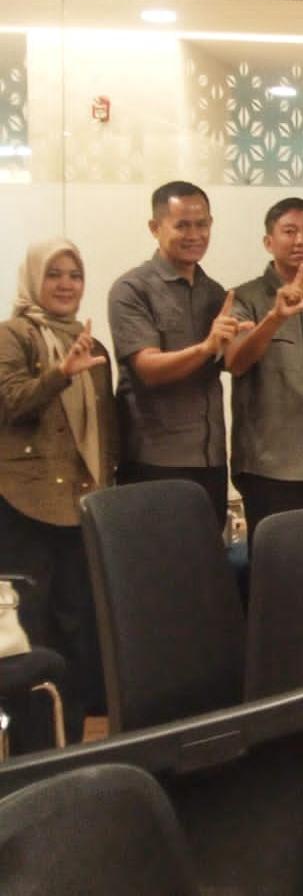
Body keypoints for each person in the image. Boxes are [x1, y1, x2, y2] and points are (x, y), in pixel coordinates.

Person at [0, 240, 117, 741]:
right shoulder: (13, 335)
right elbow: (10, 402)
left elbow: (106, 429)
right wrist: (59, 374)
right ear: (34, 279)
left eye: (75, 274)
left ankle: (69, 738)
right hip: (24, 503)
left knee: (78, 628)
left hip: (81, 506)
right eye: (54, 274)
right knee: (32, 628)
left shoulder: (93, 345)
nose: (66, 284)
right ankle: (33, 747)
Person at [109, 181, 245, 530]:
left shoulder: (214, 292)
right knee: (153, 560)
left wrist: (274, 318)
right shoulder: (132, 289)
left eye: (202, 224)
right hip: (154, 461)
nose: (194, 235)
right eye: (182, 225)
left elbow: (234, 363)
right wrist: (206, 347)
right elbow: (148, 369)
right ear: (155, 228)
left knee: (205, 559)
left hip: (211, 460)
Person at [224, 198, 303, 549]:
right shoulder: (243, 298)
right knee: (276, 570)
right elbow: (235, 362)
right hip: (271, 469)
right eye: (289, 231)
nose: (300, 240)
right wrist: (275, 318)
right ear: (268, 241)